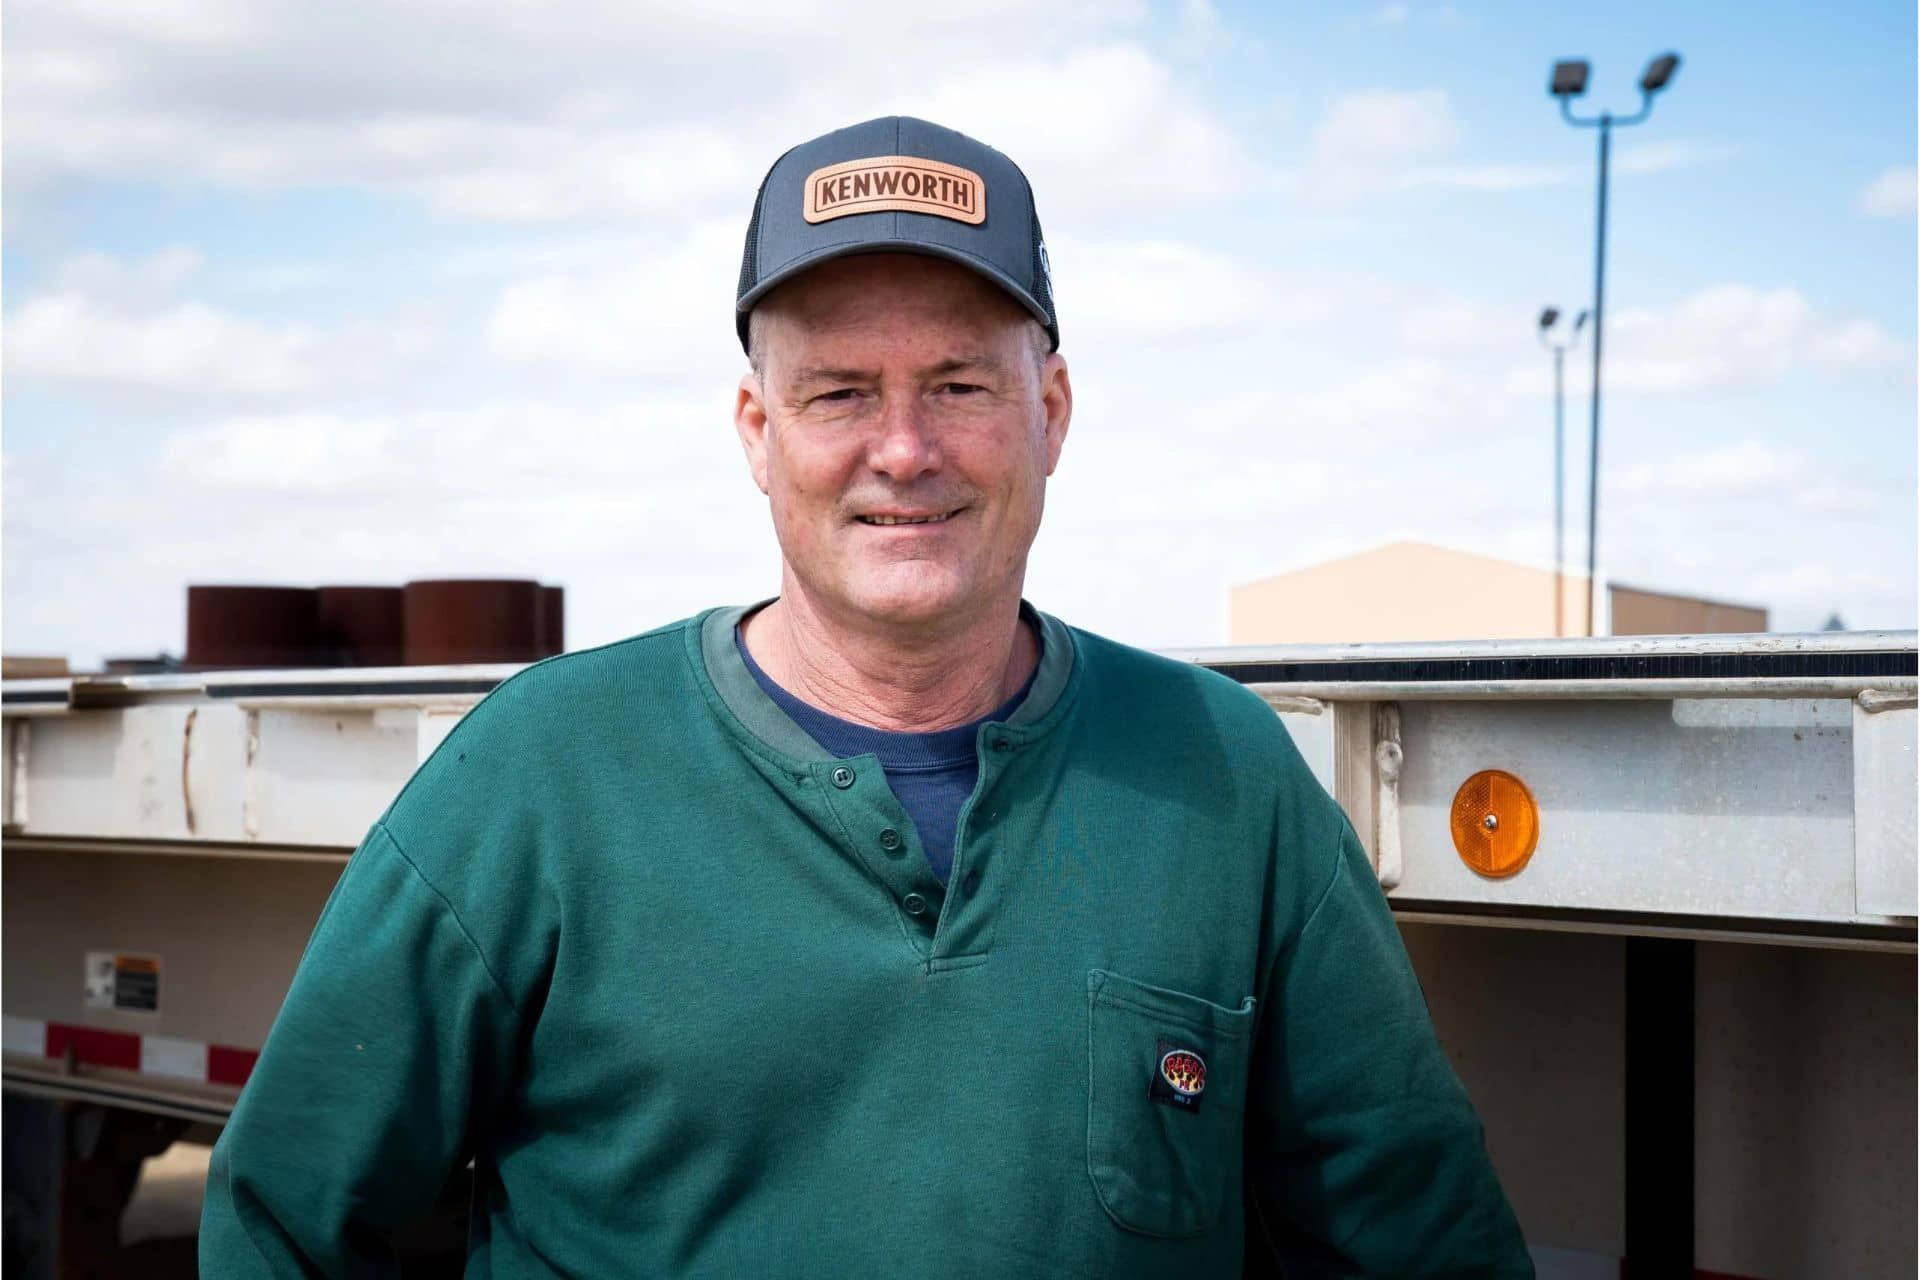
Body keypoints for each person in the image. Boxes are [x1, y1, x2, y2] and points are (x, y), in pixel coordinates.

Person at [201, 115, 1532, 1278]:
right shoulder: (540, 778)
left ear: (1052, 413)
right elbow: (288, 1219)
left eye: (959, 384)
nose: (905, 450)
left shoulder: (1226, 783)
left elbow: (1418, 1238)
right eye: (840, 392)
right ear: (757, 431)